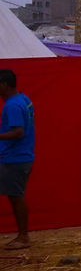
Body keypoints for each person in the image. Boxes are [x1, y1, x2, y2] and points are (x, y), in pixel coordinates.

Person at [0, 68, 35, 249]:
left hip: (14, 158)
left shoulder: (12, 105)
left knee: (16, 197)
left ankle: (23, 237)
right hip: (21, 156)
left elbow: (18, 132)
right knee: (16, 196)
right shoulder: (24, 99)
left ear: (4, 85)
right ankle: (23, 236)